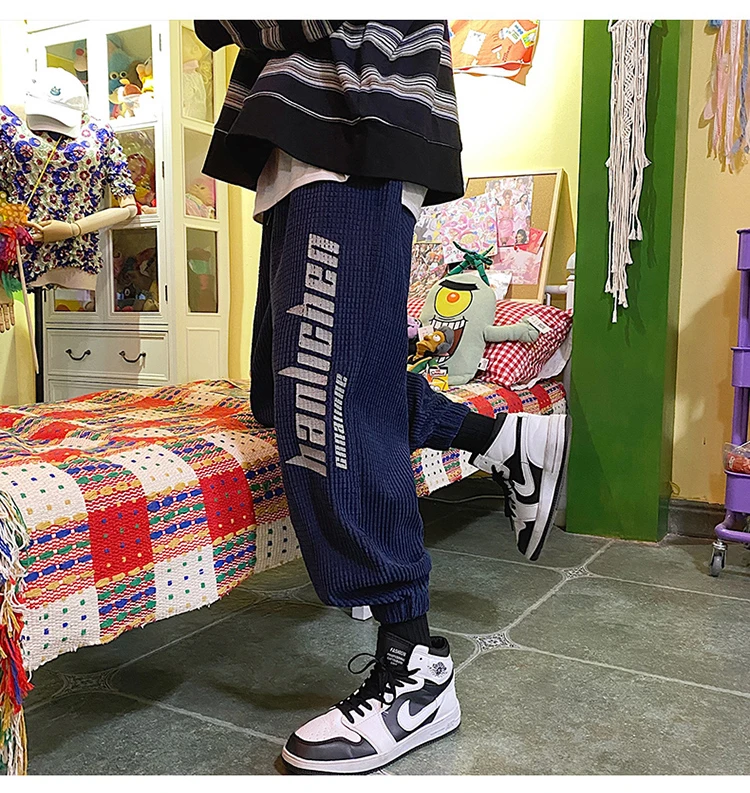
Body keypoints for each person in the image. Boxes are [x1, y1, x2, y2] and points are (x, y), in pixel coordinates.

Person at [194, 20, 567, 774]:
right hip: (310, 137)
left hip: (350, 129)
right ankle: (498, 438)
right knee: (289, 392)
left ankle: (414, 665)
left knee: (323, 402)